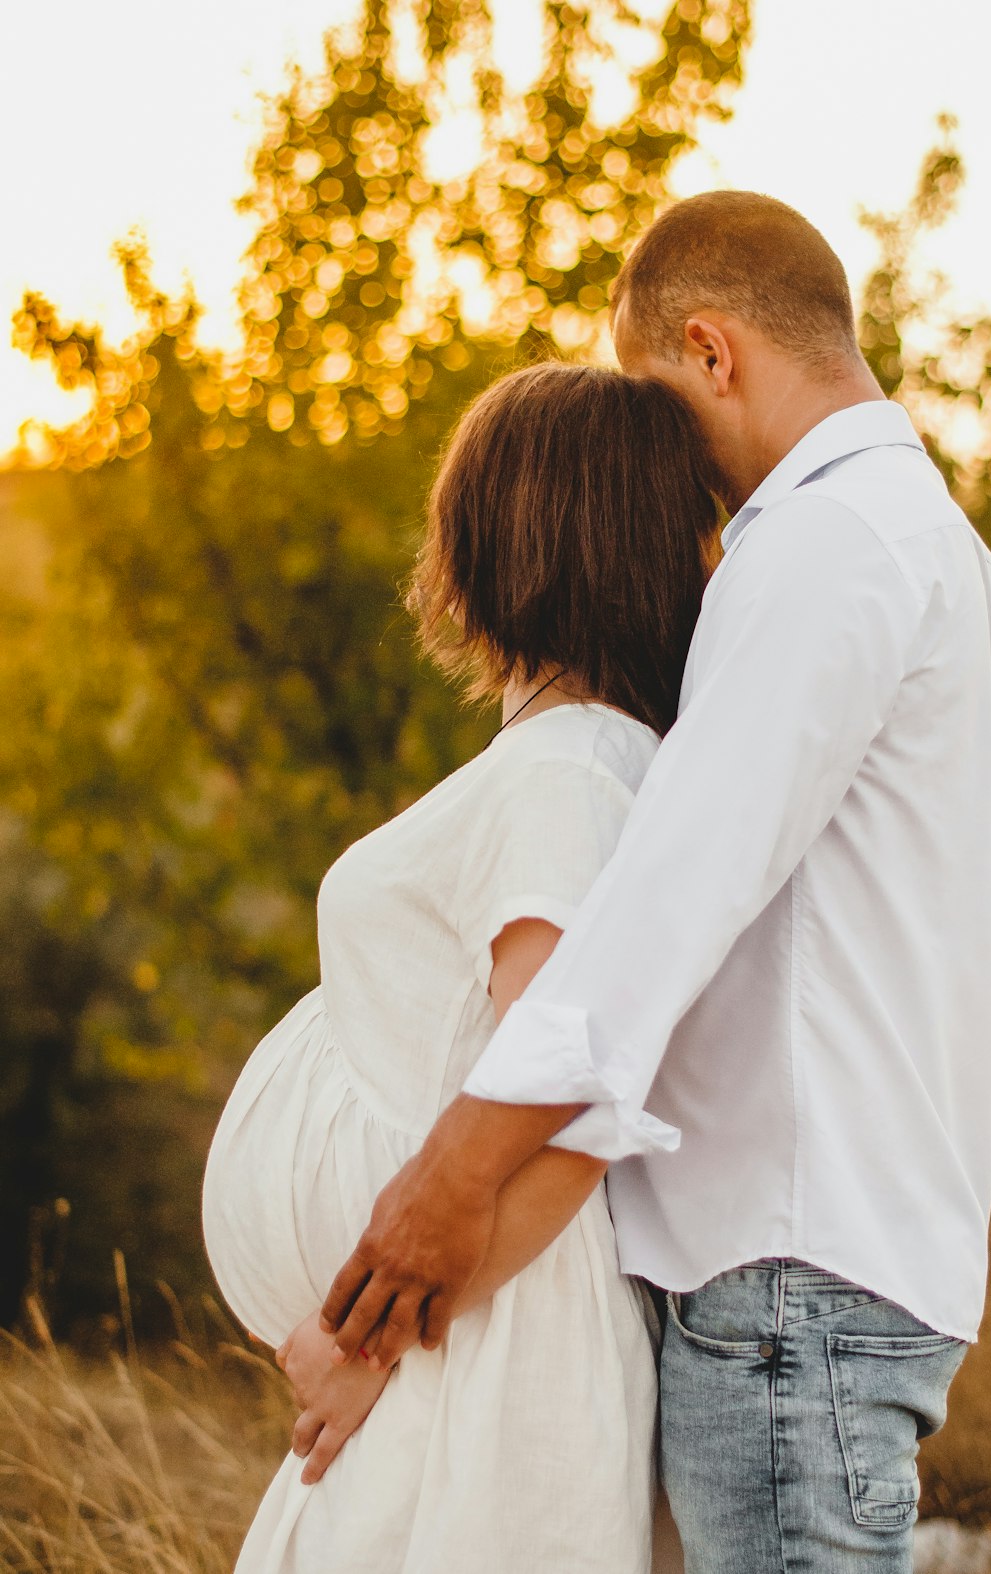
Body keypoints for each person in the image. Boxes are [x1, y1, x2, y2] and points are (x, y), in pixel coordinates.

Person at [316, 191, 991, 1574]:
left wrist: (445, 1180)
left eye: (653, 405)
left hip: (787, 1277)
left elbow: (663, 909)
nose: (657, 472)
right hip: (821, 1267)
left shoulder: (825, 546)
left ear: (710, 350)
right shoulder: (922, 539)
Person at [201, 360, 720, 1572]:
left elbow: (565, 1094)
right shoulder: (587, 759)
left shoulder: (569, 768)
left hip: (475, 1336)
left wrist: (363, 1345)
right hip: (459, 1327)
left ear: (503, 537)